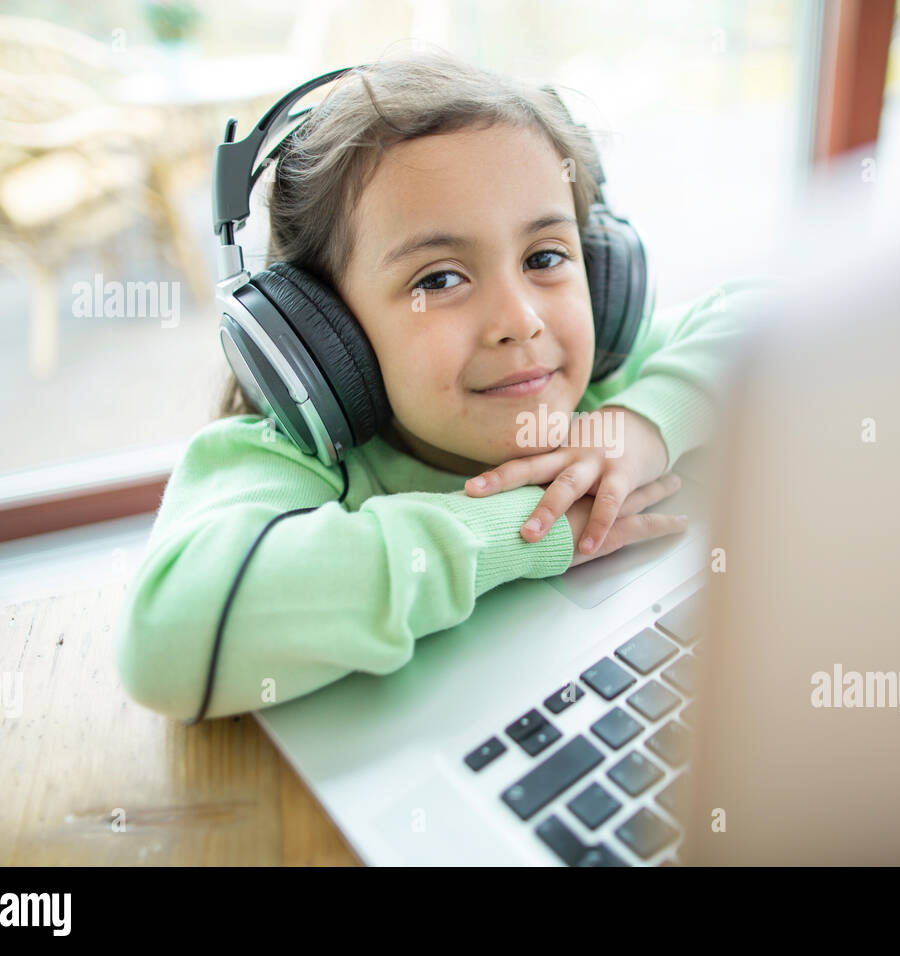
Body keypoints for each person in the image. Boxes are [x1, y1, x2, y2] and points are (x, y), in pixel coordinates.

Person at [114, 50, 774, 721]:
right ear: (322, 331)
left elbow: (793, 320)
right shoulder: (296, 464)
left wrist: (650, 422)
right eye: (438, 279)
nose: (520, 321)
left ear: (602, 267)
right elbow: (170, 636)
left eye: (545, 257)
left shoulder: (613, 398)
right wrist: (534, 523)